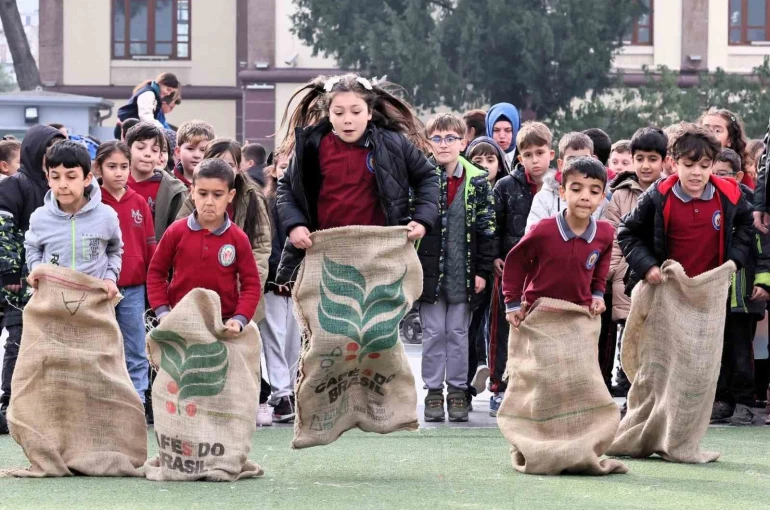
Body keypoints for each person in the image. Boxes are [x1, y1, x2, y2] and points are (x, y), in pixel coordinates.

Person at [274, 73, 439, 285]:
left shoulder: (393, 143)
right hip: (325, 251)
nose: (347, 120)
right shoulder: (311, 145)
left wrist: (422, 219)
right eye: (339, 112)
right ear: (328, 114)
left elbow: (427, 177)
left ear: (369, 112)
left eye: (356, 111)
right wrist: (294, 225)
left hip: (382, 253)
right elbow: (286, 187)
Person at [417, 113, 495, 423]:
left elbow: (487, 229)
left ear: (463, 143)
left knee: (459, 332)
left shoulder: (478, 181)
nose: (444, 144)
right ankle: (434, 391)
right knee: (434, 332)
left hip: (463, 272)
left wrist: (482, 270)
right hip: (429, 272)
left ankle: (458, 391)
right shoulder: (420, 178)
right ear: (428, 143)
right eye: (437, 138)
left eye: (451, 138)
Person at [619, 123, 753, 296]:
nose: (696, 172)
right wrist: (648, 265)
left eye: (704, 166)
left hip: (711, 291)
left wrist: (734, 259)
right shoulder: (658, 195)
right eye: (689, 165)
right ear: (674, 164)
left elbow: (747, 224)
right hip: (668, 289)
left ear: (712, 165)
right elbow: (627, 232)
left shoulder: (728, 194)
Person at [147, 158, 261, 336]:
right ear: (192, 192)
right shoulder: (176, 231)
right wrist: (162, 312)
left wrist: (240, 318)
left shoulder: (238, 238)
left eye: (217, 195)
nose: (209, 202)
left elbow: (251, 284)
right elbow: (156, 273)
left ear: (230, 195)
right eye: (202, 193)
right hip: (179, 320)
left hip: (223, 324)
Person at [0, 124, 66, 432]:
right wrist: (10, 271)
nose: (52, 157)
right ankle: (10, 403)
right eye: (48, 150)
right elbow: (4, 231)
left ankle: (44, 404)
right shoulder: (15, 184)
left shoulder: (58, 187)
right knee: (18, 341)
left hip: (51, 280)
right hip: (18, 283)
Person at [488, 120, 555, 416]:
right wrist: (494, 256)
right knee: (503, 330)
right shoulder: (505, 186)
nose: (535, 160)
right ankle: (499, 387)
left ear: (551, 154)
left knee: (541, 333)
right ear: (519, 158)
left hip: (547, 272)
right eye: (528, 155)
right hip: (510, 271)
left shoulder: (561, 187)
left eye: (540, 153)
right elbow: (492, 225)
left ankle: (537, 389)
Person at [503, 157, 612, 326]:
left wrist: (598, 293)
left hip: (579, 312)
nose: (585, 197)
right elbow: (516, 262)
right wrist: (512, 302)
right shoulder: (543, 230)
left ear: (602, 197)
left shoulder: (605, 233)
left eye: (594, 192)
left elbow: (602, 265)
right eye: (576, 189)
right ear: (562, 192)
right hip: (537, 311)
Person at [176, 138, 271, 323]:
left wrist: (248, 284)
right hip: (200, 289)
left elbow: (262, 244)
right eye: (217, 162)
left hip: (238, 289)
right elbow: (179, 234)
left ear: (239, 168)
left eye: (229, 165)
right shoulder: (196, 196)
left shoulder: (251, 196)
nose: (222, 170)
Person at [604, 127, 667, 397]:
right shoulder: (620, 195)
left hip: (661, 276)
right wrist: (610, 272)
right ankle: (631, 390)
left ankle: (654, 394)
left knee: (656, 339)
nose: (645, 165)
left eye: (652, 159)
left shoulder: (670, 191)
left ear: (664, 161)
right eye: (639, 158)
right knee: (630, 336)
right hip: (627, 278)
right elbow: (613, 237)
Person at [710, 148, 769, 426]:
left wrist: (763, 281)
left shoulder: (751, 207)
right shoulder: (709, 204)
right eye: (714, 174)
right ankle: (722, 401)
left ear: (737, 176)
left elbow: (763, 247)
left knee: (742, 352)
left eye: (724, 174)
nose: (717, 179)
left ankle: (745, 402)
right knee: (718, 351)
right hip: (716, 294)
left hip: (744, 293)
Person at [96, 140, 156, 406]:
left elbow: (150, 244)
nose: (119, 172)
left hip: (134, 287)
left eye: (124, 166)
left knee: (135, 347)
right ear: (98, 168)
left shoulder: (139, 202)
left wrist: (154, 282)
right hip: (100, 288)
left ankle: (138, 401)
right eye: (112, 166)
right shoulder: (93, 202)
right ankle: (105, 402)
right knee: (104, 346)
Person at [24, 140, 122, 298]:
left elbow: (114, 250)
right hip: (52, 301)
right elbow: (32, 248)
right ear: (48, 178)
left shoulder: (107, 216)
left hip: (95, 301)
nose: (62, 184)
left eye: (71, 176)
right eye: (55, 177)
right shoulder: (39, 217)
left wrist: (110, 278)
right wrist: (36, 269)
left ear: (87, 178)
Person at [258, 152, 301, 425]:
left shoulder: (304, 202)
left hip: (298, 283)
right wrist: (278, 274)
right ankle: (282, 393)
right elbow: (267, 243)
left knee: (293, 343)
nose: (287, 171)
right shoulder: (267, 201)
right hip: (273, 282)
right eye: (283, 166)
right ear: (273, 170)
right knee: (274, 338)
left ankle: (290, 391)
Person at [526, 132, 603, 231]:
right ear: (560, 164)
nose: (578, 166)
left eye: (584, 159)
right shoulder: (544, 198)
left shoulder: (601, 199)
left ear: (594, 161)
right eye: (572, 160)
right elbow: (534, 235)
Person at [125, 122, 187, 240]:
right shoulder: (114, 183)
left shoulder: (173, 191)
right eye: (141, 148)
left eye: (154, 150)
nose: (147, 154)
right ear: (127, 149)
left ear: (160, 155)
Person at [700, 108, 753, 189]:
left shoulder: (742, 174)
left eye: (717, 130)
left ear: (730, 139)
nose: (709, 134)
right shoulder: (688, 163)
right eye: (705, 129)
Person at [116, 72, 181, 135]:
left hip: (131, 128)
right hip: (126, 129)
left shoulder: (152, 95)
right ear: (160, 83)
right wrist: (161, 129)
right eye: (168, 89)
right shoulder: (148, 93)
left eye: (171, 92)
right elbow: (145, 115)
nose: (168, 93)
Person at [174, 120, 215, 189]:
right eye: (190, 149)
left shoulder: (217, 183)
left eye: (203, 150)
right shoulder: (166, 182)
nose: (197, 155)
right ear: (178, 152)